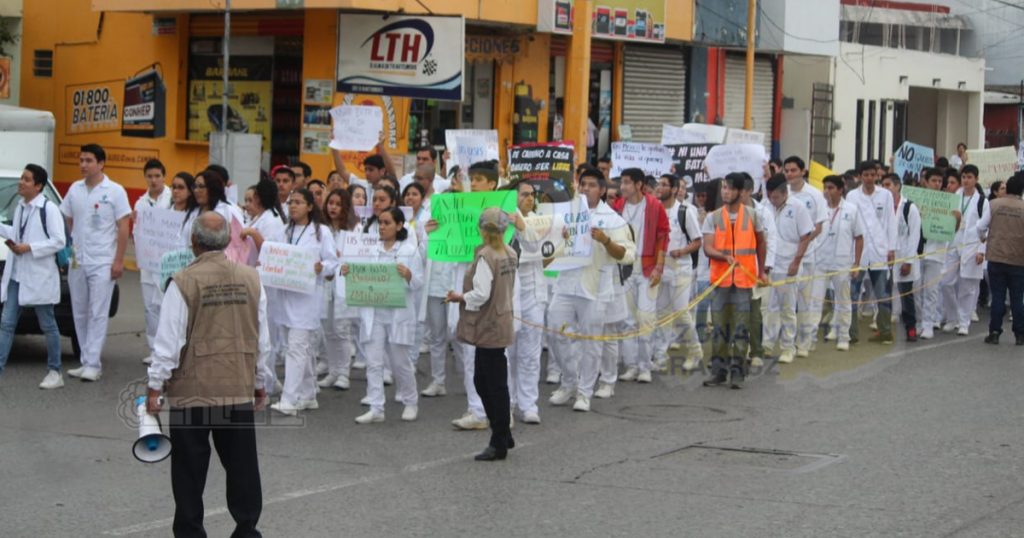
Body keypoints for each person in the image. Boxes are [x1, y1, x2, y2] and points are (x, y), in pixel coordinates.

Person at [145, 211, 271, 538]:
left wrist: (155, 386)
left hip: (193, 392)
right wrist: (260, 381)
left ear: (194, 242)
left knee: (189, 471)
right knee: (242, 468)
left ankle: (190, 532)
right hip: (237, 388)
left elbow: (169, 342)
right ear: (229, 240)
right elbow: (263, 339)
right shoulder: (251, 278)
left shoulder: (184, 281)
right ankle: (247, 529)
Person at [547, 168, 635, 411]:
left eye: (591, 185)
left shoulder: (613, 220)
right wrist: (559, 236)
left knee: (592, 341)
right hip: (566, 282)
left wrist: (606, 241)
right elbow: (550, 245)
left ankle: (585, 392)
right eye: (582, 183)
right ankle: (569, 382)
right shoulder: (565, 213)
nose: (585, 188)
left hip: (595, 286)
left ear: (603, 190)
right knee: (556, 332)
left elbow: (628, 256)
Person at [447, 207, 519, 461]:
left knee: (490, 383)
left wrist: (460, 297)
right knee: (489, 380)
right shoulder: (509, 252)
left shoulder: (487, 256)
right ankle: (502, 432)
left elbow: (481, 294)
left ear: (483, 229)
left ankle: (498, 438)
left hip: (489, 324)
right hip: (501, 321)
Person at [62, 144, 131, 382]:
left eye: (88, 160)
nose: (83, 165)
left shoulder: (115, 191)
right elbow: (69, 219)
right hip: (78, 260)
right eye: (81, 160)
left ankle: (94, 363)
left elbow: (124, 226)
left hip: (103, 260)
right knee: (79, 312)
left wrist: (119, 260)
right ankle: (84, 359)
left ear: (101, 164)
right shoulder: (74, 189)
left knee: (97, 312)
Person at [345, 207, 422, 423]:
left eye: (387, 223)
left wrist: (408, 275)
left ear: (399, 225)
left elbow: (419, 282)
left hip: (398, 314)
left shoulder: (408, 250)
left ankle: (410, 401)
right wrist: (350, 274)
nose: (382, 227)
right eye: (380, 222)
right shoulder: (370, 250)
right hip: (375, 313)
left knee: (400, 362)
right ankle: (376, 407)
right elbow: (361, 275)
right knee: (374, 361)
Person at [268, 189, 339, 415]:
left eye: (298, 202)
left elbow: (333, 262)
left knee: (297, 349)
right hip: (286, 296)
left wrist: (322, 268)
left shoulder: (321, 232)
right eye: (290, 202)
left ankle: (289, 400)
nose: (293, 206)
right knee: (300, 348)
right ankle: (308, 395)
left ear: (310, 206)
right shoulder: (284, 231)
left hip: (307, 300)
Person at [0, 164, 66, 388]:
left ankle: (55, 371)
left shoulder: (49, 209)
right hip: (17, 275)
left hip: (39, 276)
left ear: (38, 186)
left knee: (48, 324)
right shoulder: (21, 207)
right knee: (7, 323)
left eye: (26, 179)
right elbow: (16, 233)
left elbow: (59, 241)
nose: (21, 182)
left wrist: (29, 248)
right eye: (21, 178)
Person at [702, 173, 767, 389]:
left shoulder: (753, 215)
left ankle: (738, 372)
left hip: (743, 281)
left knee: (741, 327)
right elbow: (707, 247)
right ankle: (718, 371)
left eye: (729, 188)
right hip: (720, 281)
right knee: (719, 327)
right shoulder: (713, 217)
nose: (725, 192)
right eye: (723, 188)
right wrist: (723, 257)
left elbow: (761, 243)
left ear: (740, 191)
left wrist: (762, 272)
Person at [611, 168, 669, 383]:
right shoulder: (618, 206)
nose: (622, 187)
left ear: (638, 185)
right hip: (625, 269)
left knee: (645, 318)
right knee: (627, 320)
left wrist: (659, 267)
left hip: (648, 268)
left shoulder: (654, 206)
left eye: (626, 183)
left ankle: (645, 366)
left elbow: (663, 236)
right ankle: (631, 365)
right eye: (622, 183)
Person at [652, 174, 703, 372]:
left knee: (681, 313)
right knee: (661, 313)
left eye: (664, 185)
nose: (659, 187)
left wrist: (682, 251)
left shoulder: (684, 211)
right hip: (660, 268)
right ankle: (660, 355)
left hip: (680, 268)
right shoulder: (654, 210)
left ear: (674, 189)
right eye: (659, 184)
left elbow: (697, 241)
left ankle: (695, 350)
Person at [505, 181, 545, 423]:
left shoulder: (542, 221)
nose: (529, 198)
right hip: (508, 292)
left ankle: (529, 404)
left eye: (532, 195)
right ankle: (507, 403)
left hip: (533, 294)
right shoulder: (501, 219)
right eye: (524, 194)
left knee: (530, 351)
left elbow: (537, 246)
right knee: (508, 352)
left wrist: (522, 225)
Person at [763, 174, 813, 364]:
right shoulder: (766, 206)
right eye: (769, 196)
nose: (772, 200)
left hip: (788, 266)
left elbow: (806, 236)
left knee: (788, 308)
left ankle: (787, 347)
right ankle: (767, 344)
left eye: (775, 197)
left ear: (785, 193)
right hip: (769, 265)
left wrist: (796, 262)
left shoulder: (797, 207)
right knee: (769, 307)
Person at [782, 156, 829, 357]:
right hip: (785, 258)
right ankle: (788, 343)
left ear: (803, 171)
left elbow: (818, 226)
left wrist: (803, 243)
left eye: (793, 170)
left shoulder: (815, 195)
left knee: (805, 302)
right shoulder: (782, 193)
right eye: (787, 170)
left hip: (808, 256)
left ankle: (805, 342)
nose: (790, 174)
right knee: (787, 304)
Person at [846, 161, 897, 344]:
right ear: (860, 176)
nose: (869, 178)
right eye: (865, 175)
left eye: (872, 174)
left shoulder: (885, 195)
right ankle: (851, 333)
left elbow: (891, 222)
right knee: (853, 294)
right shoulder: (852, 196)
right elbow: (849, 224)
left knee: (882, 293)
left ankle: (885, 332)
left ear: (877, 175)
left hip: (879, 252)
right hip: (857, 253)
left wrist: (891, 249)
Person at [318, 188, 359, 391]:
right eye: (330, 203)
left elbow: (360, 255)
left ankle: (344, 373)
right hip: (326, 284)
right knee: (328, 330)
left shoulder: (354, 230)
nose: (332, 207)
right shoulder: (321, 229)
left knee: (342, 329)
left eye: (337, 204)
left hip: (344, 284)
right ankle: (333, 371)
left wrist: (344, 257)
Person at [941, 164, 989, 336]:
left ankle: (963, 321)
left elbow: (986, 228)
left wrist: (981, 251)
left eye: (969, 177)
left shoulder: (982, 201)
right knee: (946, 282)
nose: (966, 180)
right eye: (964, 177)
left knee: (967, 286)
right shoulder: (955, 196)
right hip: (953, 242)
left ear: (976, 179)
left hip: (972, 245)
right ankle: (952, 318)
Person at [134, 159, 173, 365]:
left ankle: (167, 350)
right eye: (150, 176)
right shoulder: (141, 202)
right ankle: (153, 349)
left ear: (163, 176)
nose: (154, 180)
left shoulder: (172, 199)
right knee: (150, 308)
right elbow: (136, 231)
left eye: (157, 176)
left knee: (167, 306)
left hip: (167, 264)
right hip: (148, 263)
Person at [818, 175, 863, 351]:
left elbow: (859, 238)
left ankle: (844, 335)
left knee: (843, 300)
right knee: (818, 300)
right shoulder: (820, 209)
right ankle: (816, 333)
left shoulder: (851, 210)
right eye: (825, 188)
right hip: (821, 261)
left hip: (842, 261)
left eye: (830, 188)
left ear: (840, 190)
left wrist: (856, 263)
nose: (827, 192)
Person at [978, 173, 1024, 345]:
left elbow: (980, 226)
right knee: (1017, 299)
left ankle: (995, 332)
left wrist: (983, 237)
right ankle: (1020, 335)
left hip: (996, 257)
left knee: (997, 297)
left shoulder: (994, 204)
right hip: (1018, 260)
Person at [881, 174, 922, 342]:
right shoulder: (882, 207)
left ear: (897, 186)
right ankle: (885, 330)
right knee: (885, 293)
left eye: (888, 184)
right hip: (887, 257)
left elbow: (914, 236)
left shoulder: (909, 207)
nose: (884, 188)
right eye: (882, 185)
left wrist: (909, 261)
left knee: (906, 294)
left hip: (904, 256)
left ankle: (911, 327)